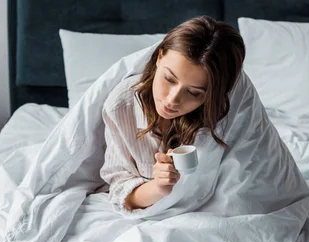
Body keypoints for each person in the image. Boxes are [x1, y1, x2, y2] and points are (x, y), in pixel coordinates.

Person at [100, 16, 245, 211]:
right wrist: (158, 187)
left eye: (193, 92)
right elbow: (120, 194)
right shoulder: (121, 107)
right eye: (169, 79)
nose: (172, 100)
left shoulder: (226, 109)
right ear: (159, 57)